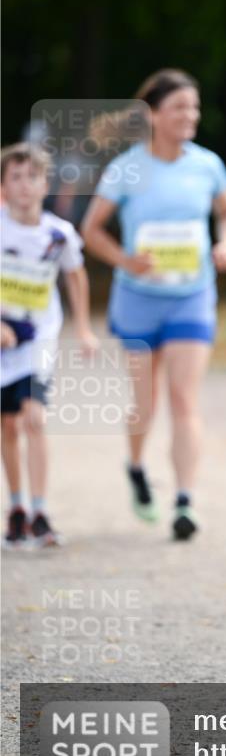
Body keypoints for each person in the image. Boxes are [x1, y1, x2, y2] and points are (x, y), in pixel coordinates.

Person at [81, 69, 226, 541]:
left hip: (192, 296)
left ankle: (185, 500)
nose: (190, 116)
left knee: (184, 398)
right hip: (138, 302)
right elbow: (91, 231)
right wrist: (125, 260)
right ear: (153, 115)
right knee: (145, 403)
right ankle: (135, 465)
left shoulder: (207, 164)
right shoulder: (127, 167)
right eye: (179, 108)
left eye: (194, 107)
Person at [1, 142, 98, 547]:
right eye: (15, 177)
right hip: (4, 341)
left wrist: (85, 328)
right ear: (3, 187)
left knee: (34, 419)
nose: (25, 186)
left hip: (39, 338)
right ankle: (17, 508)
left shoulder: (59, 233)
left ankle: (41, 512)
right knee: (7, 425)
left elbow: (75, 276)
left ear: (46, 183)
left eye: (33, 177)